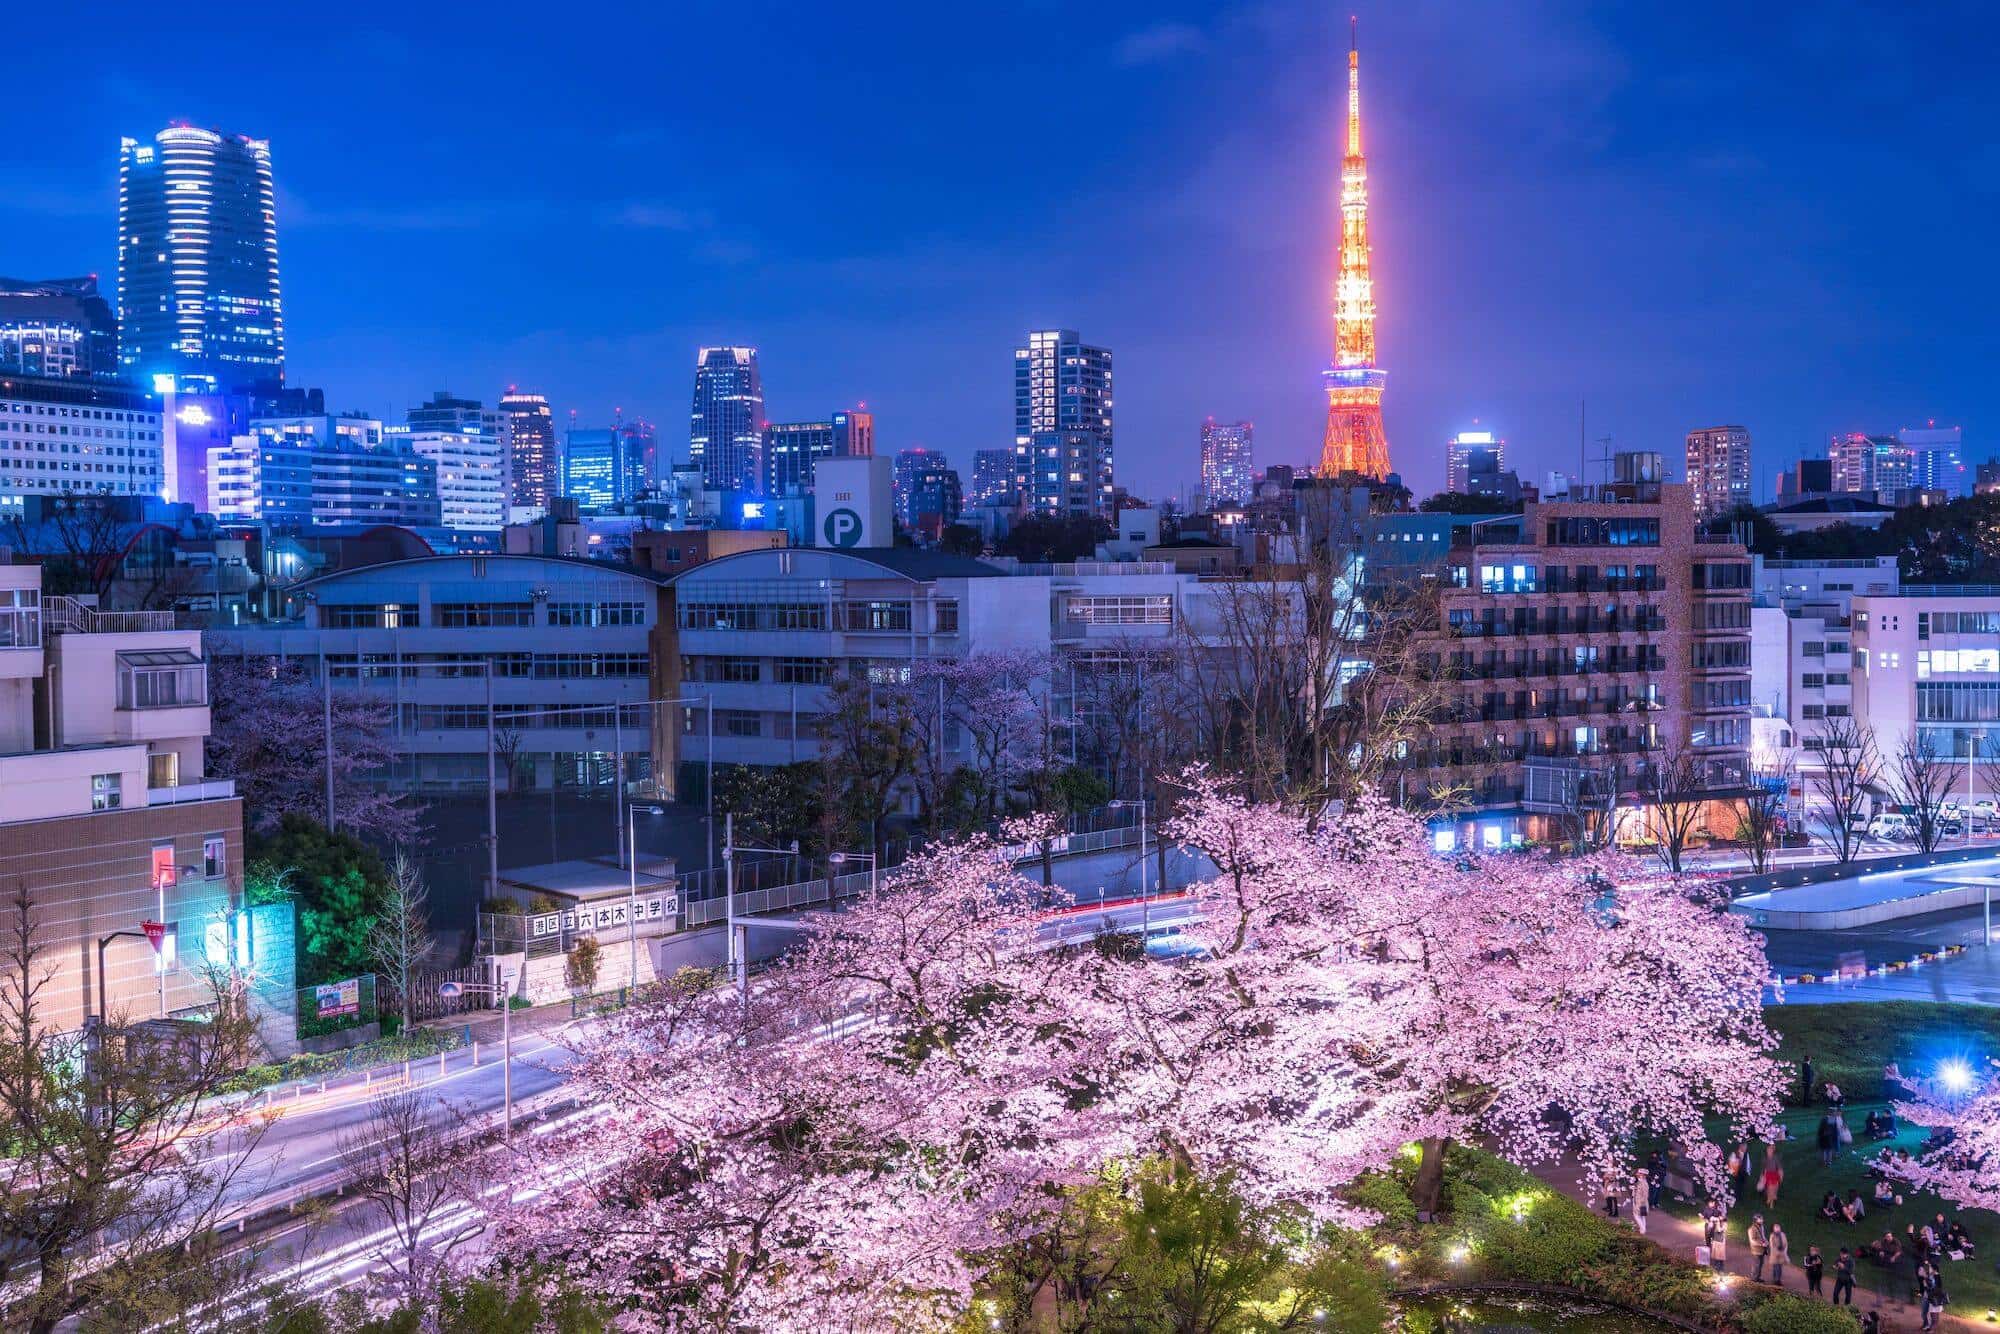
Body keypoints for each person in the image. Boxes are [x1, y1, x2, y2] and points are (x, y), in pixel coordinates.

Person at [1748, 1214, 1769, 1281]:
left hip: (1762, 1250)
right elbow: (1752, 1240)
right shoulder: (1752, 1229)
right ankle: (1754, 1279)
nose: (1762, 1220)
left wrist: (1766, 1241)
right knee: (1756, 1265)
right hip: (1756, 1250)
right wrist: (1762, 1244)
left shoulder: (1761, 1227)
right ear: (1756, 1220)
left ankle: (1758, 1277)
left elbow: (1763, 1236)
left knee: (1760, 1264)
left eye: (1762, 1219)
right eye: (1760, 1219)